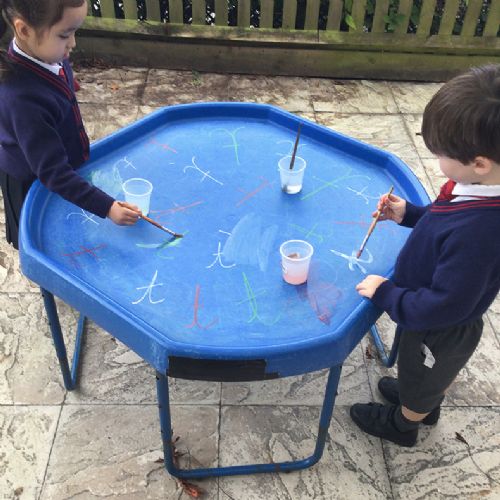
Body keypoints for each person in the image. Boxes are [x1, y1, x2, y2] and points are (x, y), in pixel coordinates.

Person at [350, 64, 500, 447]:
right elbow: (442, 220)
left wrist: (387, 294)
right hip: (429, 310)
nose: (437, 161)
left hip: (440, 326)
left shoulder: (481, 232)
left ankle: (405, 424)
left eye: (441, 154)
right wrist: (409, 214)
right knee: (419, 375)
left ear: (480, 162)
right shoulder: (476, 186)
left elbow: (445, 303)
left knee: (423, 380)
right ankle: (418, 401)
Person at [0, 0, 139, 250]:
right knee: (45, 246)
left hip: (57, 165)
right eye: (65, 35)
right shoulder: (23, 100)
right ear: (24, 30)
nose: (73, 43)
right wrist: (108, 207)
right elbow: (55, 174)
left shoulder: (48, 54)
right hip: (31, 183)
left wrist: (65, 85)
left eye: (75, 31)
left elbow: (58, 76)